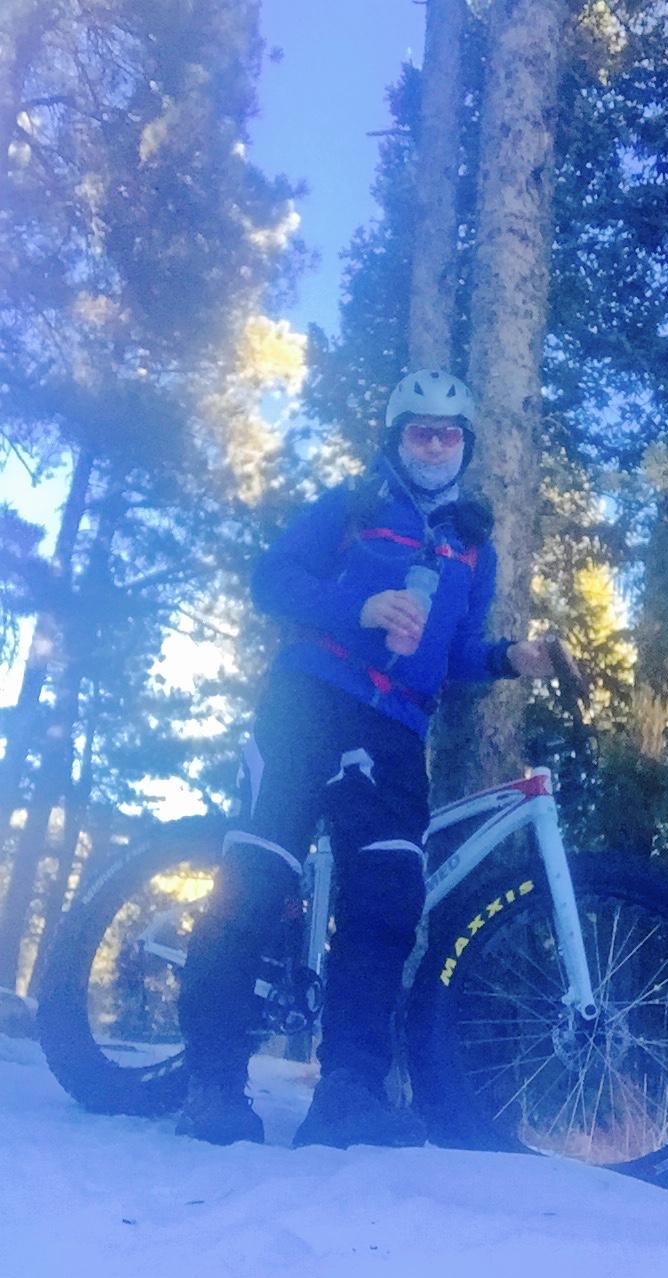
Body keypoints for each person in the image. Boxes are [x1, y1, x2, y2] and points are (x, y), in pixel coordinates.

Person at [176, 369, 555, 1147]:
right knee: (257, 875)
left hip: (396, 732)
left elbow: (453, 657)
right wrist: (359, 606)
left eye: (449, 435)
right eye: (421, 431)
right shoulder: (349, 504)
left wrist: (510, 657)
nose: (435, 445)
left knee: (385, 903)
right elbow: (270, 579)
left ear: (467, 447)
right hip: (308, 700)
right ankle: (212, 1085)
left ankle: (348, 1093)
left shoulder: (473, 547)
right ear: (396, 437)